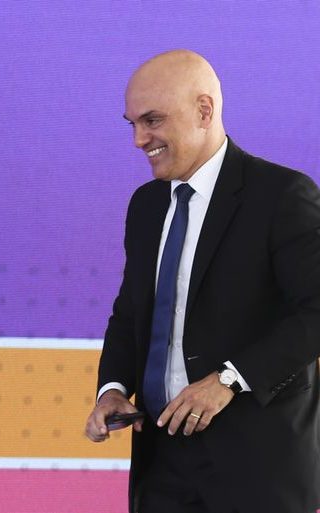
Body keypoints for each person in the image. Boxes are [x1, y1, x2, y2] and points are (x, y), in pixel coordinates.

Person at [85, 49, 320, 513]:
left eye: (152, 120)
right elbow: (130, 313)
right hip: (161, 466)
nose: (138, 139)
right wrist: (112, 389)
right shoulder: (146, 206)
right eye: (132, 124)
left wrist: (229, 379)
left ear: (204, 110)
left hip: (258, 466)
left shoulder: (282, 196)